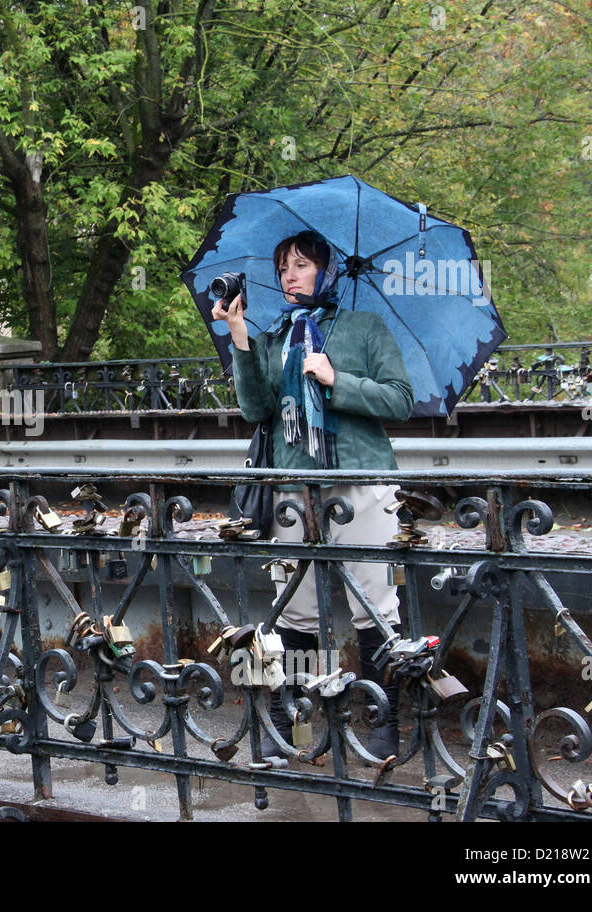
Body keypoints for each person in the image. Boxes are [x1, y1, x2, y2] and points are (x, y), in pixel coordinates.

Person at [210, 230, 414, 761]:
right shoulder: (274, 336)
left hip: (361, 482)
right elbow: (257, 411)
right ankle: (292, 721)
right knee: (294, 612)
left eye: (301, 265)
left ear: (327, 272)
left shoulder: (364, 328)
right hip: (293, 486)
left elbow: (400, 400)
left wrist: (335, 378)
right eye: (283, 269)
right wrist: (239, 336)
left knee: (375, 606)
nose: (290, 276)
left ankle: (382, 721)